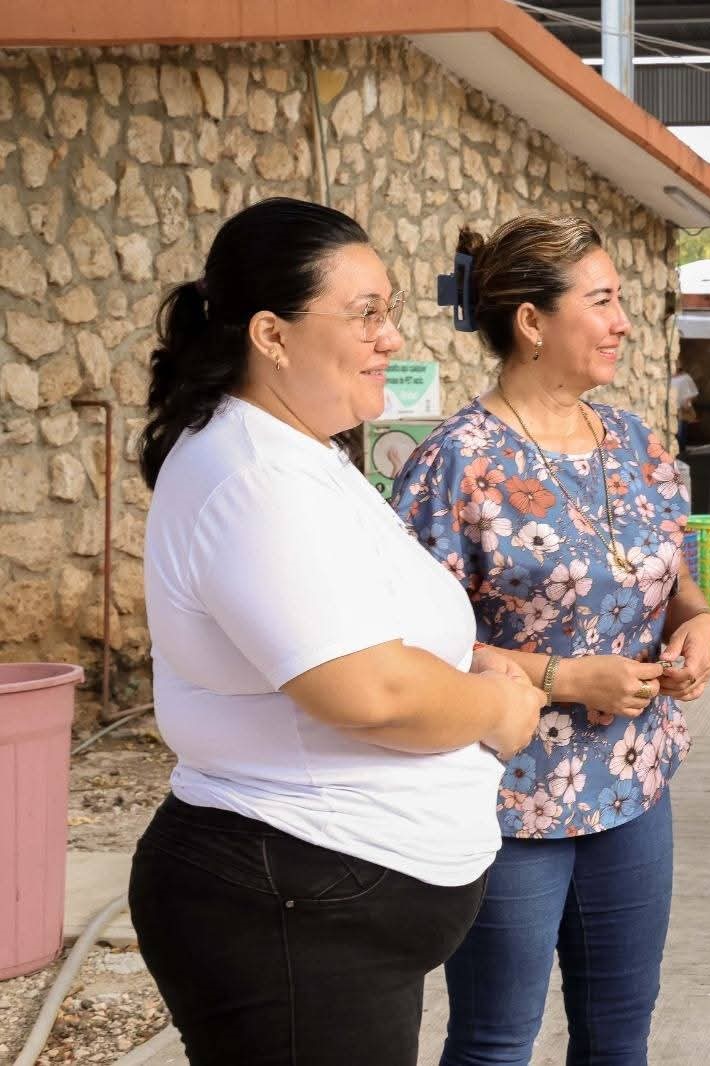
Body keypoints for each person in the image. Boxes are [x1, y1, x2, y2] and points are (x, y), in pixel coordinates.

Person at [130, 197, 545, 1066]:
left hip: (321, 903)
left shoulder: (298, 452)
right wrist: (494, 709)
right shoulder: (252, 476)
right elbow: (368, 690)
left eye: (388, 310)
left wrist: (464, 658)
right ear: (271, 336)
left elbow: (357, 625)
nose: (390, 337)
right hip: (290, 902)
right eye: (365, 314)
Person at [393, 214, 710, 1065]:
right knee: (497, 1042)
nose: (622, 323)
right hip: (509, 800)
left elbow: (674, 570)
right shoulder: (454, 464)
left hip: (634, 785)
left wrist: (699, 621)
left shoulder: (637, 444)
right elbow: (408, 650)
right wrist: (569, 677)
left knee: (620, 1037)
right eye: (603, 301)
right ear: (532, 322)